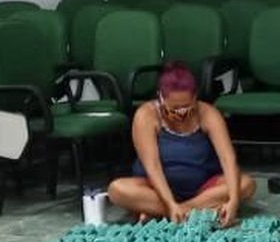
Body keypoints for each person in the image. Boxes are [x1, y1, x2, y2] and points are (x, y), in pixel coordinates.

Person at [108, 62, 255, 225]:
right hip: (155, 190)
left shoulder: (208, 113)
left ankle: (168, 212)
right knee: (117, 190)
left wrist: (234, 200)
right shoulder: (146, 115)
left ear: (195, 97)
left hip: (202, 189)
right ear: (161, 98)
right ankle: (200, 210)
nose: (181, 114)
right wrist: (169, 202)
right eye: (174, 109)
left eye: (186, 107)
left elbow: (228, 159)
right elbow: (153, 166)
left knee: (246, 184)